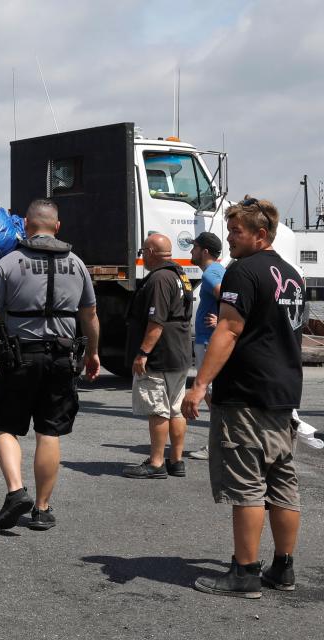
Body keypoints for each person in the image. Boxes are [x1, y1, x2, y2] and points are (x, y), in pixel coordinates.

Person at [183, 197, 305, 598]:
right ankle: (282, 568)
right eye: (230, 230)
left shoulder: (242, 272)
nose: (230, 238)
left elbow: (229, 331)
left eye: (237, 231)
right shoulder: (292, 275)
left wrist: (200, 384)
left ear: (261, 235)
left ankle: (244, 572)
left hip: (247, 394)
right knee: (282, 481)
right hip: (283, 392)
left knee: (249, 485)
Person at [0, 198, 100, 531]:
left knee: (4, 424)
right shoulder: (78, 264)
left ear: (25, 224)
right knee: (49, 431)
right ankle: (42, 509)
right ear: (58, 227)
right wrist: (93, 353)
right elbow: (90, 316)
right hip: (62, 359)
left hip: (21, 357)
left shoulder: (9, 263)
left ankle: (15, 491)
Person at [123, 233, 193, 479]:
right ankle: (176, 460)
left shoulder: (160, 279)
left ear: (151, 252)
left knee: (158, 409)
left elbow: (156, 320)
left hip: (160, 354)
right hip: (180, 352)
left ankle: (155, 462)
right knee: (176, 409)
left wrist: (142, 353)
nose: (143, 257)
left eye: (143, 252)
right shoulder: (179, 275)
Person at [187, 232, 226, 461]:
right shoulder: (217, 270)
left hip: (208, 341)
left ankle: (218, 443)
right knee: (213, 392)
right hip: (208, 339)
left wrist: (220, 319)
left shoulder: (212, 274)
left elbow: (230, 297)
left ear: (205, 251)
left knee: (210, 392)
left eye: (194, 248)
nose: (191, 252)